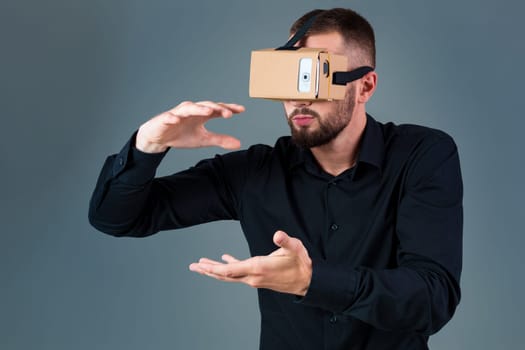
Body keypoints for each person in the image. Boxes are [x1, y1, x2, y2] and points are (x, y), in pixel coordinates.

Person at [89, 8, 463, 350]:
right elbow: (116, 216)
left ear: (365, 86)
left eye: (313, 76)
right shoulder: (255, 173)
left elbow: (433, 299)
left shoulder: (422, 156)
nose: (298, 99)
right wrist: (147, 146)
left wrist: (312, 280)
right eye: (288, 76)